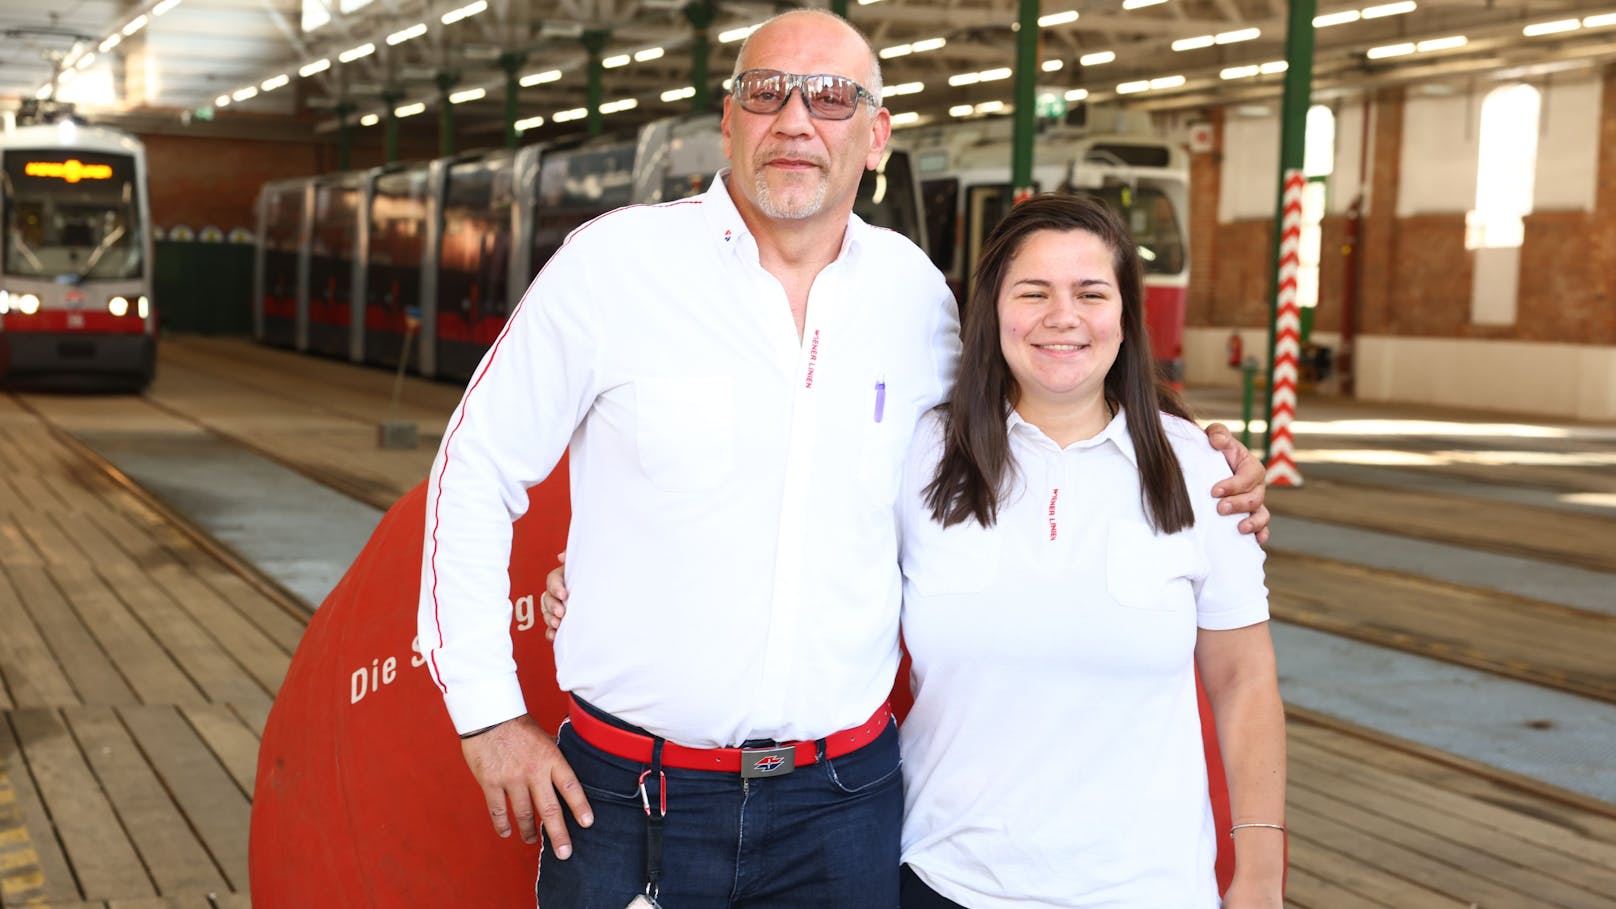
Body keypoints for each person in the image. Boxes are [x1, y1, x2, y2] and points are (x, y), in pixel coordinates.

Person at [421, 9, 1269, 908]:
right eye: (766, 93)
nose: (795, 119)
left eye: (831, 97)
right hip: (632, 799)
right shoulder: (612, 267)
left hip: (845, 807)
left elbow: (1041, 383)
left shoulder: (915, 297)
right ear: (728, 120)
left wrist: (1195, 446)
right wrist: (486, 713)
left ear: (875, 138)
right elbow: (475, 468)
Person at [897, 195, 1285, 908]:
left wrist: (1260, 875)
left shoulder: (1202, 472)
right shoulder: (918, 456)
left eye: (1090, 293)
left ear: (1125, 317)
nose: (1062, 316)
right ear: (992, 312)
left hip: (1149, 889)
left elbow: (1244, 683)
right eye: (1033, 292)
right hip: (945, 882)